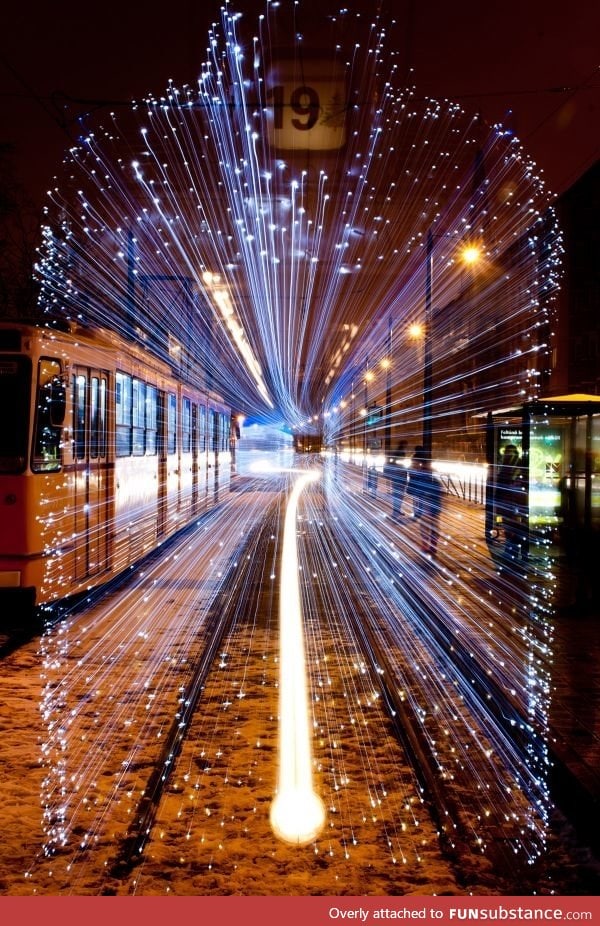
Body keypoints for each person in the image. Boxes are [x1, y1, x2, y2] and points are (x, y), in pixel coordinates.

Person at [494, 443, 526, 558]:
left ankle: (512, 552)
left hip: (510, 502)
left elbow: (501, 484)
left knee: (512, 528)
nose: (508, 455)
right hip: (512, 502)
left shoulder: (508, 465)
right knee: (513, 527)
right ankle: (514, 551)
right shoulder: (516, 464)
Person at [417, 458, 443, 557]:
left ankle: (426, 545)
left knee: (425, 526)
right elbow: (440, 494)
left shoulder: (423, 482)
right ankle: (433, 545)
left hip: (426, 508)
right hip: (435, 508)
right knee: (434, 527)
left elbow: (420, 493)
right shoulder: (436, 482)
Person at [383, 445, 408, 519]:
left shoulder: (397, 464)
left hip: (399, 483)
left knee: (398, 497)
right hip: (399, 483)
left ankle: (397, 511)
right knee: (398, 497)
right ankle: (395, 513)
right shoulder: (397, 465)